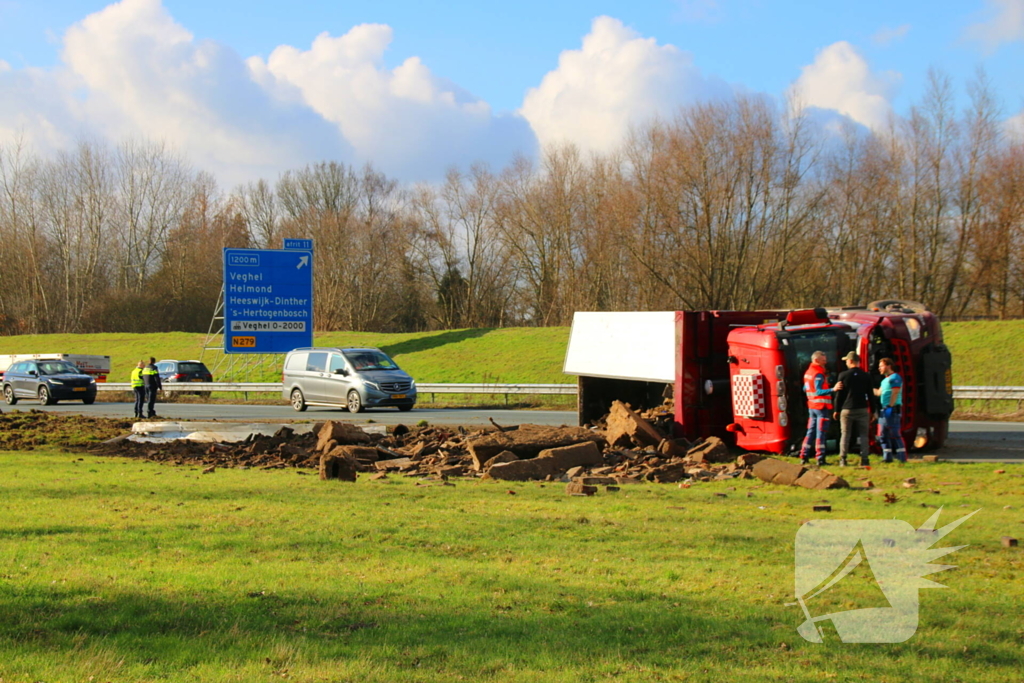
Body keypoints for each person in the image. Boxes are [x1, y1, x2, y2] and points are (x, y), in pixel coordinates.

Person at [832, 352, 877, 467]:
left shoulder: (843, 375)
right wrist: (873, 410)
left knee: (845, 434)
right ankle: (865, 459)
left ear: (850, 361)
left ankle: (843, 459)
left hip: (847, 409)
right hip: (862, 409)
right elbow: (870, 394)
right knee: (863, 435)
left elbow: (839, 394)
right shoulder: (866, 376)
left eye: (846, 360)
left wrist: (836, 409)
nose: (846, 362)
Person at [800, 350, 833, 466]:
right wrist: (833, 389)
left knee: (810, 431)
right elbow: (819, 391)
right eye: (823, 360)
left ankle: (803, 455)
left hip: (812, 406)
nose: (825, 362)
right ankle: (820, 457)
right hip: (820, 406)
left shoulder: (808, 372)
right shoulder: (818, 374)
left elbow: (805, 388)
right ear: (816, 360)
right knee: (821, 432)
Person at [874, 357, 906, 463]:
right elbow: (879, 393)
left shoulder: (895, 377)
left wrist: (890, 407)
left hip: (891, 409)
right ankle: (887, 457)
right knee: (883, 434)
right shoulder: (884, 380)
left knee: (895, 433)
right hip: (884, 410)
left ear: (889, 366)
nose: (879, 368)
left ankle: (902, 457)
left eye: (881, 366)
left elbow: (895, 392)